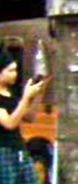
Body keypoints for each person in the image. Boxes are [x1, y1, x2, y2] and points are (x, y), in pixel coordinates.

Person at [0, 50, 49, 184]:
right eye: (10, 71)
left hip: (19, 148)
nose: (14, 74)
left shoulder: (10, 93)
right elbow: (10, 123)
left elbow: (29, 117)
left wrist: (38, 94)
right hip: (3, 151)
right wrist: (26, 97)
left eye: (15, 70)